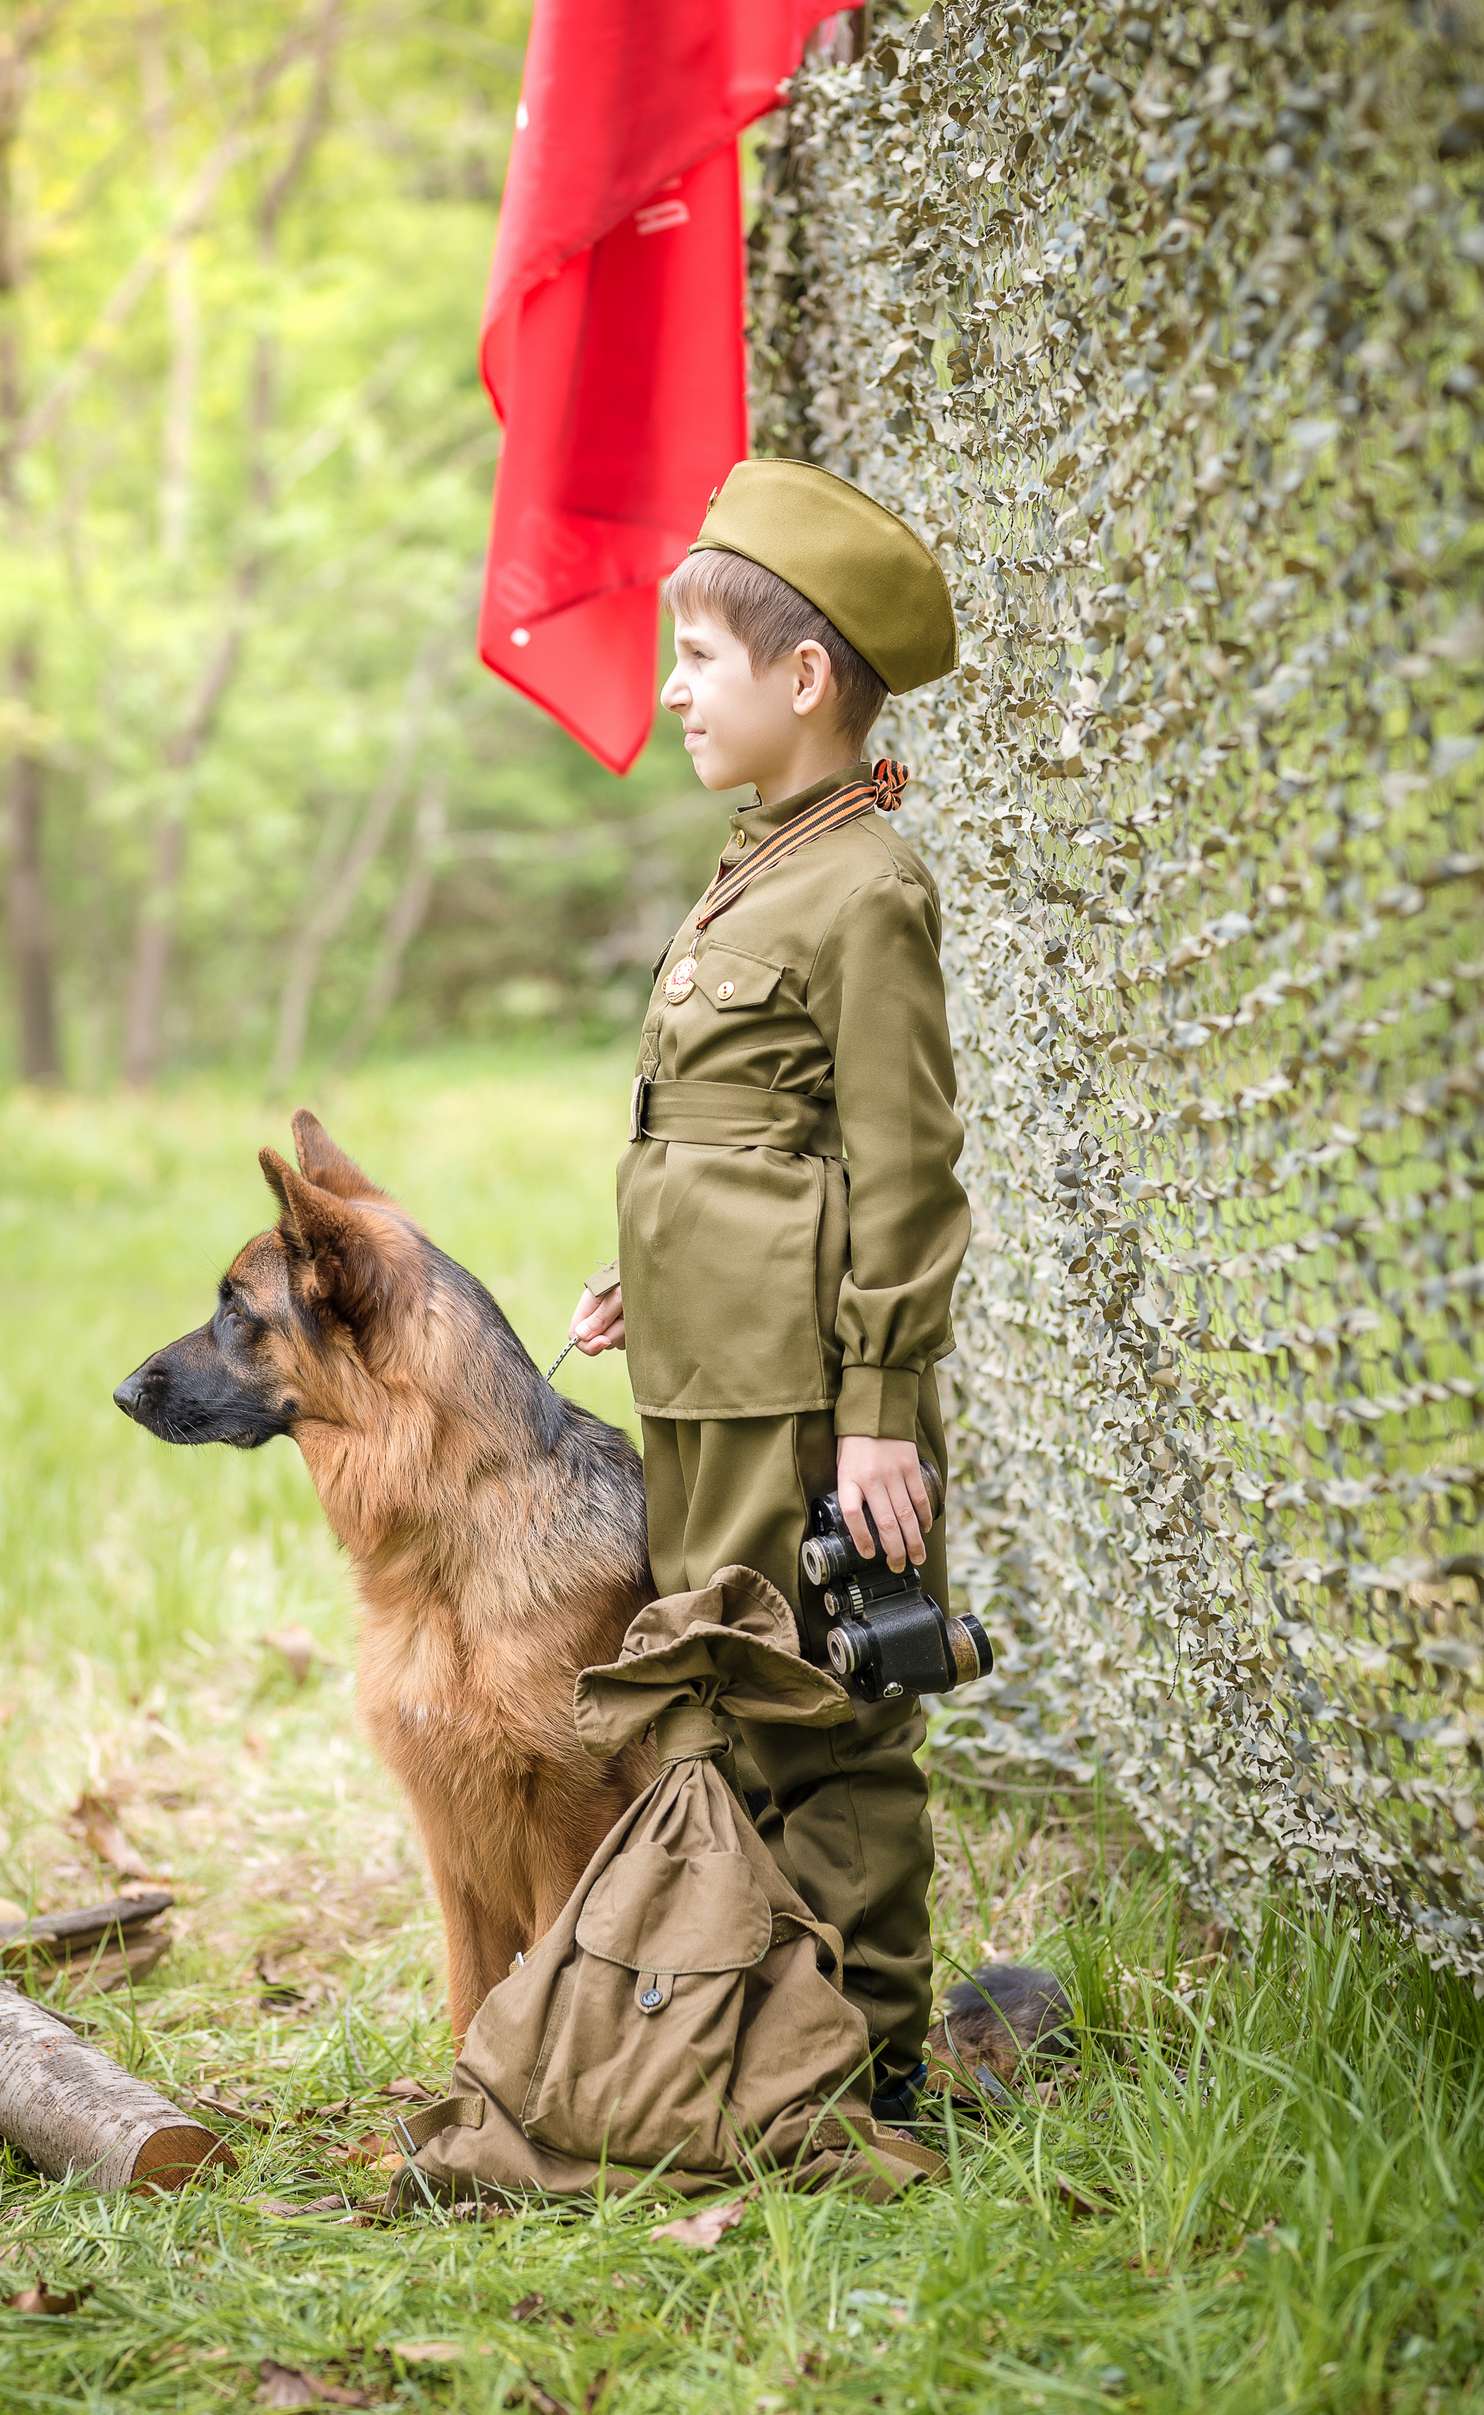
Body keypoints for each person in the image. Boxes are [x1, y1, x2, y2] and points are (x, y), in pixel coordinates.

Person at [567, 457, 969, 2119]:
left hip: (805, 1389)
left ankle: (867, 2064)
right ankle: (754, 2026)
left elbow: (901, 1165)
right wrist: (644, 1278)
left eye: (698, 662)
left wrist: (878, 1422)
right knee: (729, 1685)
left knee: (824, 1703)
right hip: (710, 1362)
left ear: (802, 680)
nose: (672, 691)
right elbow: (738, 1132)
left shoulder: (863, 887)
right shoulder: (768, 859)